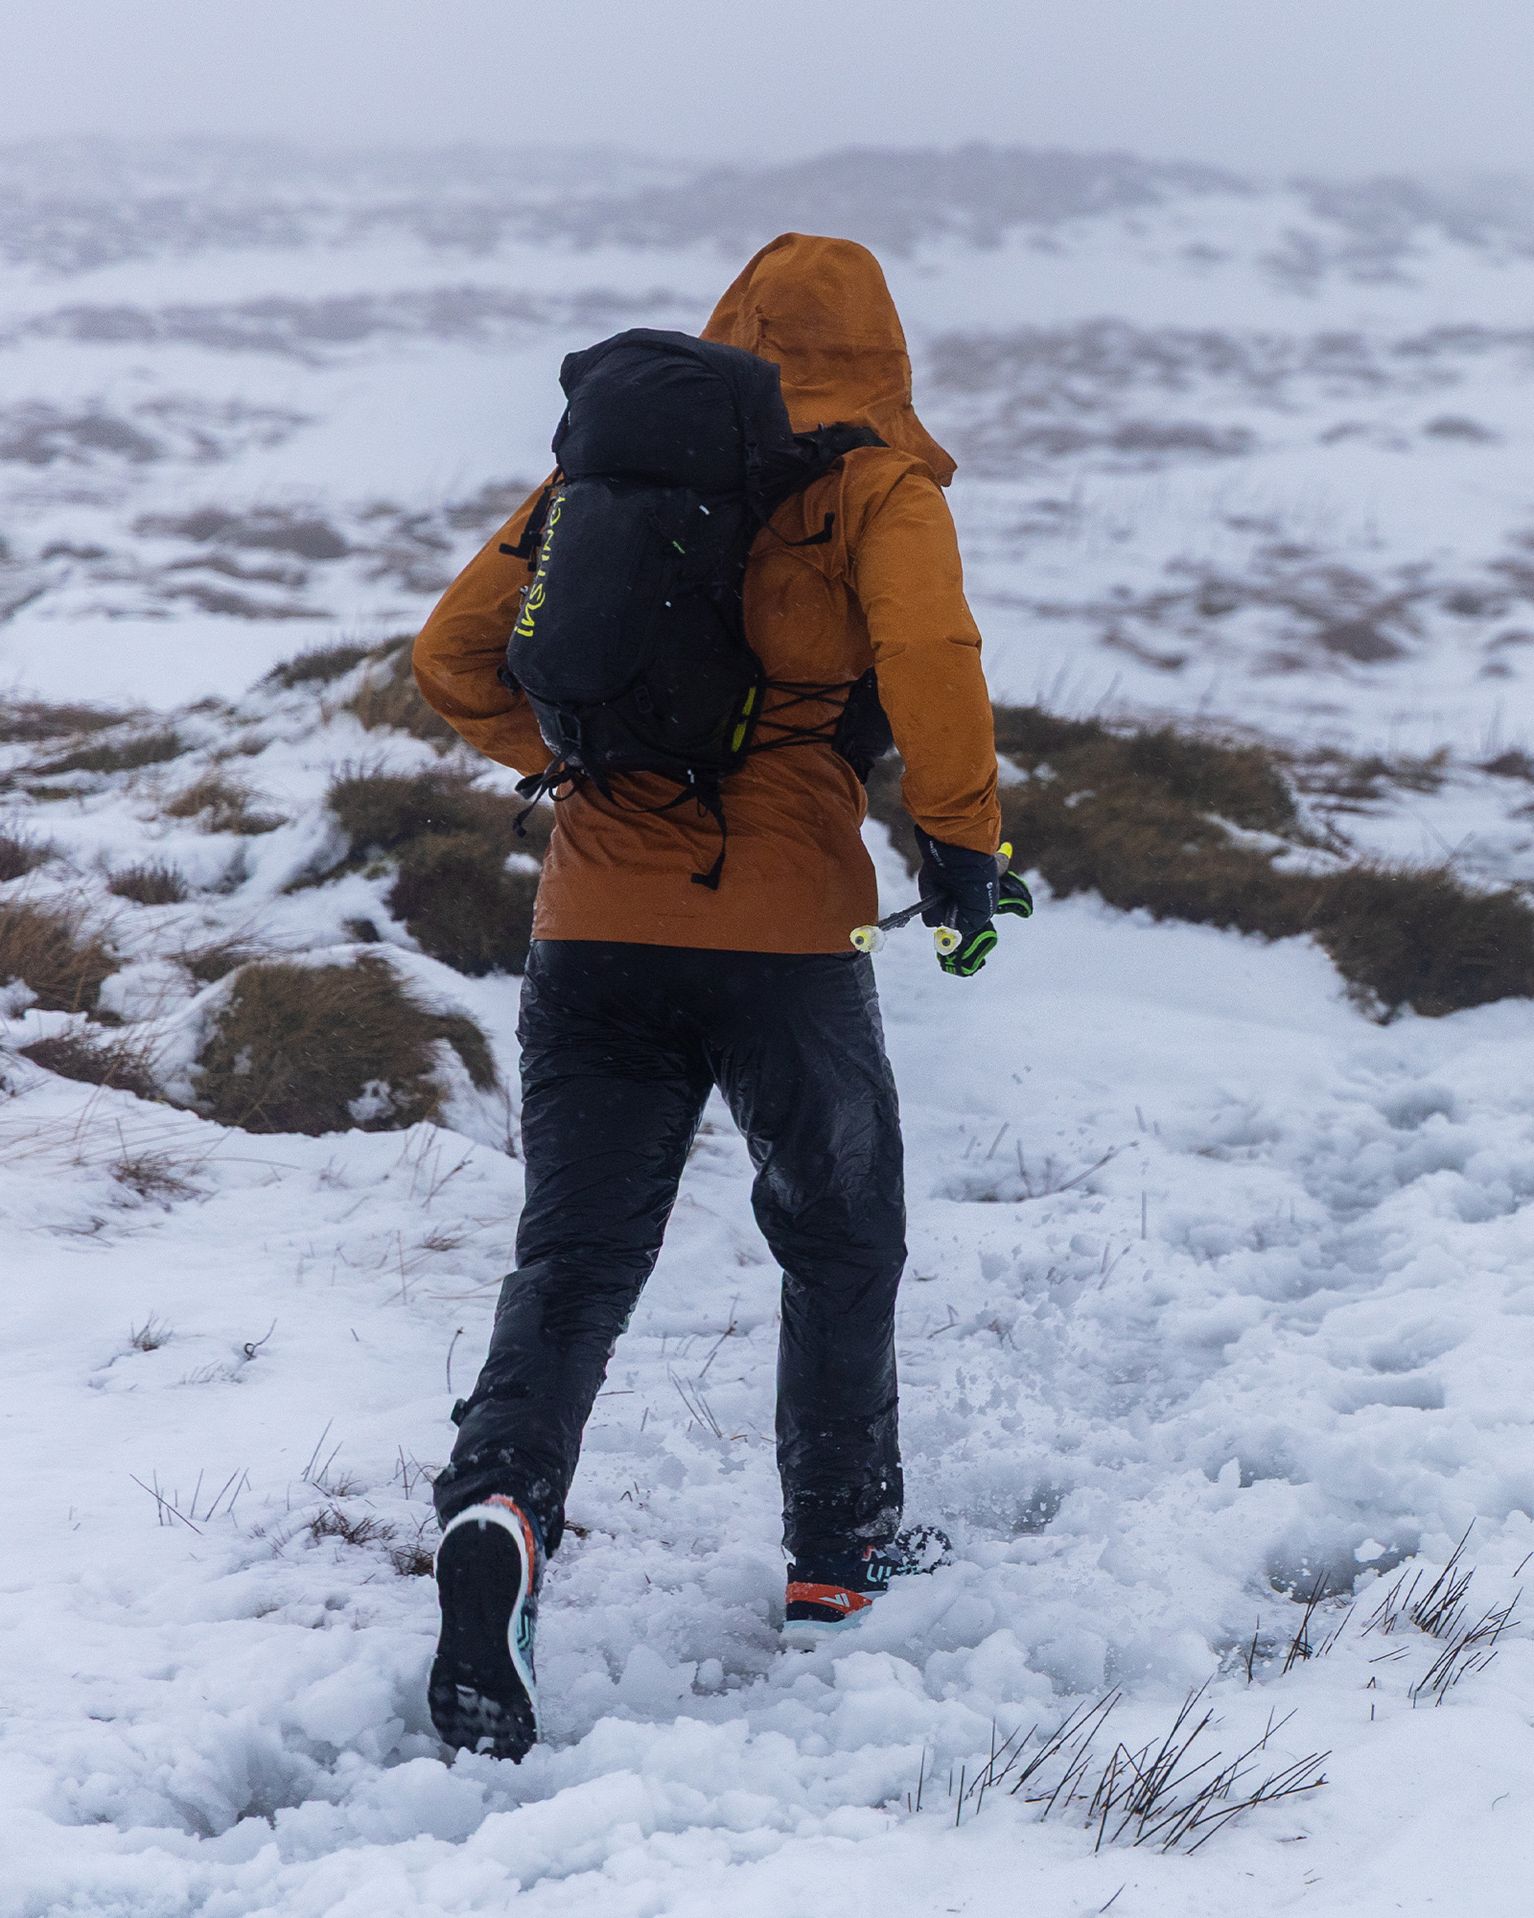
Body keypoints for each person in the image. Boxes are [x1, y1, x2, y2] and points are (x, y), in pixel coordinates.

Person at [412, 232, 1006, 1760]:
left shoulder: (616, 471)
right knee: (838, 1232)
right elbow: (931, 657)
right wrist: (960, 846)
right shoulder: (875, 484)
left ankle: (498, 1504)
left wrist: (588, 768)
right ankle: (839, 1551)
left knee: (574, 1254)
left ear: (731, 326)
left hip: (593, 928)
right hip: (785, 942)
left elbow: (454, 658)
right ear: (881, 344)